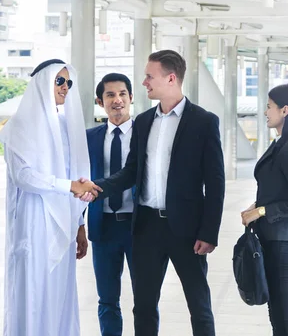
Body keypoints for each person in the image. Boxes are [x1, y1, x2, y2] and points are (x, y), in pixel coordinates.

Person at [91, 50, 225, 336]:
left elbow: (215, 183)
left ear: (171, 78)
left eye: (150, 76)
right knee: (144, 305)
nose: (144, 83)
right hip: (147, 227)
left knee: (198, 304)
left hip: (188, 230)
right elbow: (130, 172)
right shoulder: (143, 121)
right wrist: (96, 189)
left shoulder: (204, 121)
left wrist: (209, 232)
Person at [0, 59, 97, 336]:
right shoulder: (19, 126)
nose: (65, 87)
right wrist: (67, 186)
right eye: (59, 81)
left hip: (63, 221)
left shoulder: (65, 125)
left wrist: (79, 224)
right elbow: (24, 177)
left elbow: (75, 174)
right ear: (42, 83)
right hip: (33, 222)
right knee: (33, 291)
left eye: (68, 82)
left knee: (60, 294)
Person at [240, 83, 288, 336]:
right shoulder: (282, 143)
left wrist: (261, 212)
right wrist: (255, 207)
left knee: (282, 314)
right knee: (276, 313)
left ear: (284, 110)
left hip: (284, 241)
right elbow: (277, 190)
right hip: (274, 238)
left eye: (269, 107)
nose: (265, 112)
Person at [86, 73, 135, 336]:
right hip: (103, 227)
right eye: (110, 95)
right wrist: (78, 226)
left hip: (139, 227)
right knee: (107, 300)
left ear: (130, 97)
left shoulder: (145, 133)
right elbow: (81, 181)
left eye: (122, 94)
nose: (117, 100)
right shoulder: (90, 137)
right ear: (100, 101)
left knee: (145, 301)